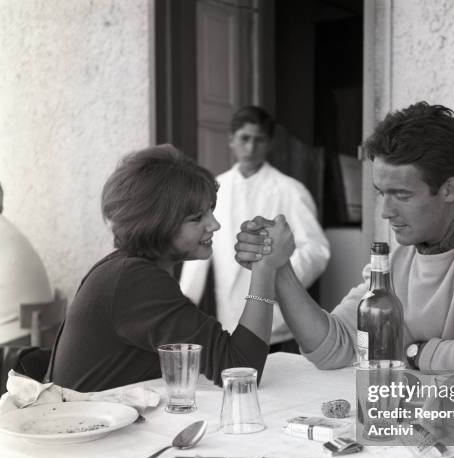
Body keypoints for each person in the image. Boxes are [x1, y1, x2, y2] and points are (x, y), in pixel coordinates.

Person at [234, 102, 454, 373]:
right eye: (381, 193)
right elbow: (334, 347)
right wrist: (279, 268)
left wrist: (416, 352)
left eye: (402, 195)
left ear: (449, 189)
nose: (385, 212)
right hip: (437, 431)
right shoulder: (400, 258)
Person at [50, 144, 294, 392]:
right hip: (85, 427)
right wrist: (266, 267)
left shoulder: (129, 269)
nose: (215, 224)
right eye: (196, 218)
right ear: (156, 224)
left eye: (211, 210)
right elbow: (240, 371)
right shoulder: (135, 281)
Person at [179, 105, 330, 352]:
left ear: (269, 143)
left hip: (278, 324)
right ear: (231, 140)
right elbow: (201, 239)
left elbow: (316, 249)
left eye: (258, 140)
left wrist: (277, 276)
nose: (250, 148)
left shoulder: (290, 190)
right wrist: (186, 297)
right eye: (244, 138)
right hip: (228, 315)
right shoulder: (216, 186)